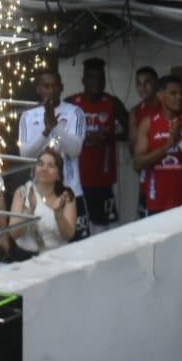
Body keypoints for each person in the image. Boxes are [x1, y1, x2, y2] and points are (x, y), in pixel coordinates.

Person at [15, 67, 88, 240]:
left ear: (61, 87)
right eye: (45, 86)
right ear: (38, 88)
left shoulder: (75, 113)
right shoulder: (28, 116)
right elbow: (25, 154)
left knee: (77, 248)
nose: (50, 90)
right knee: (46, 248)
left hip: (70, 192)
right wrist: (46, 132)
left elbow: (75, 150)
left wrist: (55, 127)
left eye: (54, 86)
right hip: (40, 195)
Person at [133, 74, 182, 217]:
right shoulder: (148, 123)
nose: (179, 97)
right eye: (173, 93)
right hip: (156, 202)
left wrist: (181, 142)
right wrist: (167, 147)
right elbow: (137, 164)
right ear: (160, 95)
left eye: (181, 93)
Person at [72, 57, 126, 231]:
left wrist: (109, 137)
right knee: (80, 228)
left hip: (104, 178)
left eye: (101, 78)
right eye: (92, 77)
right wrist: (83, 139)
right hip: (78, 179)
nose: (97, 82)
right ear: (84, 80)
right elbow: (58, 135)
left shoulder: (112, 103)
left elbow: (132, 131)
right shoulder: (72, 103)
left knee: (106, 228)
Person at [4, 149, 80, 258]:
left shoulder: (66, 196)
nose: (44, 169)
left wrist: (58, 215)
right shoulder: (23, 192)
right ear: (34, 169)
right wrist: (30, 211)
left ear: (58, 174)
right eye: (40, 164)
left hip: (58, 257)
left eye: (51, 166)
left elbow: (68, 235)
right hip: (26, 258)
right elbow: (14, 234)